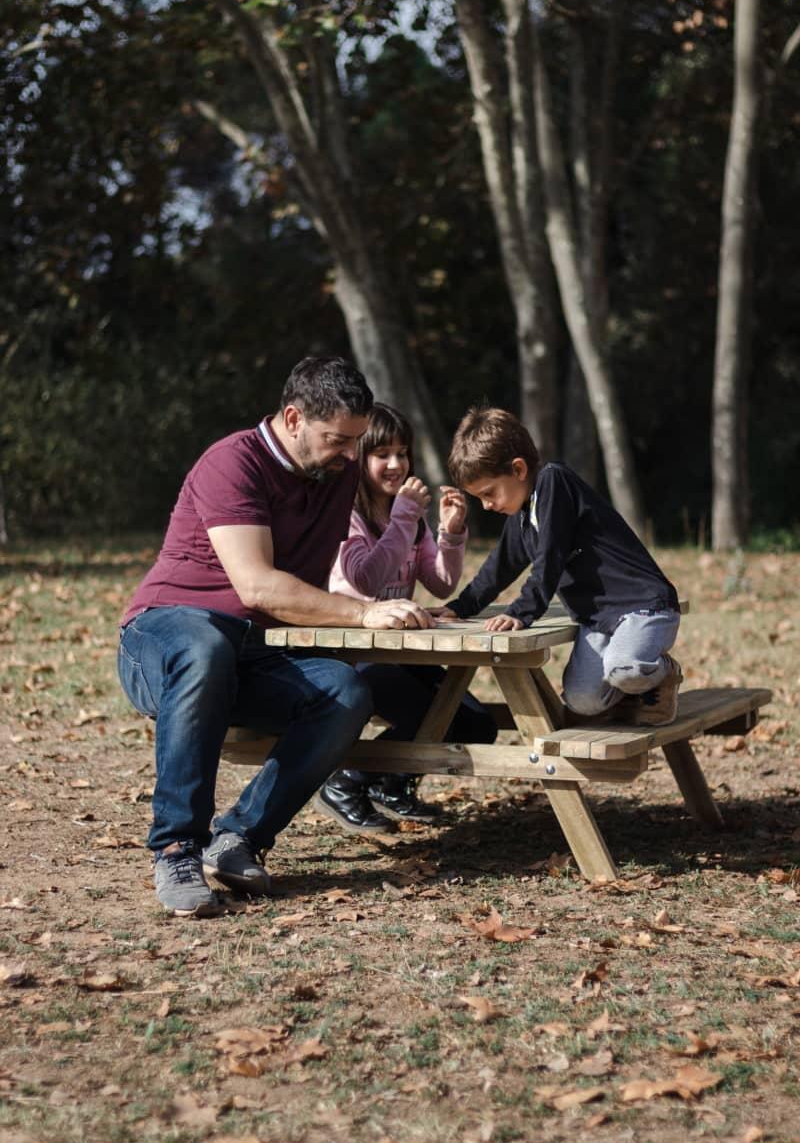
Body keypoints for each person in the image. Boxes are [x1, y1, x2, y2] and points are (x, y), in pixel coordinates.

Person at [117, 357, 432, 918]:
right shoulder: (232, 462)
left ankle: (239, 839)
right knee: (204, 647)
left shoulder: (335, 474)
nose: (350, 455)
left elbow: (308, 592)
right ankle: (176, 848)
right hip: (163, 636)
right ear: (293, 418)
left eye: (357, 442)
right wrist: (363, 616)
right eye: (338, 440)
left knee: (345, 692)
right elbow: (258, 586)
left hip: (252, 653)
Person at [439, 407, 682, 726]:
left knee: (625, 668)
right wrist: (461, 606)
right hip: (599, 621)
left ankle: (664, 673)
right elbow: (500, 566)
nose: (486, 505)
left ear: (519, 469)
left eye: (488, 493)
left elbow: (549, 559)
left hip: (643, 607)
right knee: (583, 700)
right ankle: (637, 692)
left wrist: (521, 612)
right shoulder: (522, 515)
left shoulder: (554, 482)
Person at [318, 404, 498, 835]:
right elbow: (364, 580)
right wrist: (403, 517)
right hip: (355, 654)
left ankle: (392, 784)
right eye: (383, 454)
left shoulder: (408, 518)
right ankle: (346, 781)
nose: (396, 464)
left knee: (477, 723)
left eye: (403, 453)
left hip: (402, 652)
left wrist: (450, 533)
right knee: (433, 715)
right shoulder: (350, 517)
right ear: (359, 458)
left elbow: (439, 585)